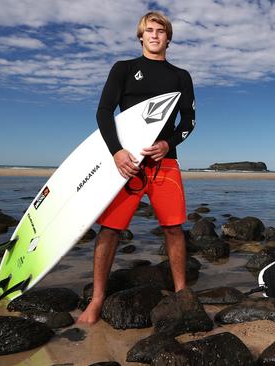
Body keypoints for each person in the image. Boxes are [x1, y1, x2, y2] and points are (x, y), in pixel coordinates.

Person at [78, 11, 195, 324]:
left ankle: (181, 291)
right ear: (141, 36)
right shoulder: (124, 69)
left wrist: (168, 144)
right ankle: (98, 298)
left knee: (173, 228)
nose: (155, 35)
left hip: (164, 163)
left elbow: (189, 121)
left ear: (168, 37)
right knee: (110, 229)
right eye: (149, 31)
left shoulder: (180, 76)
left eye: (160, 31)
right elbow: (104, 112)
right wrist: (116, 152)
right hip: (127, 164)